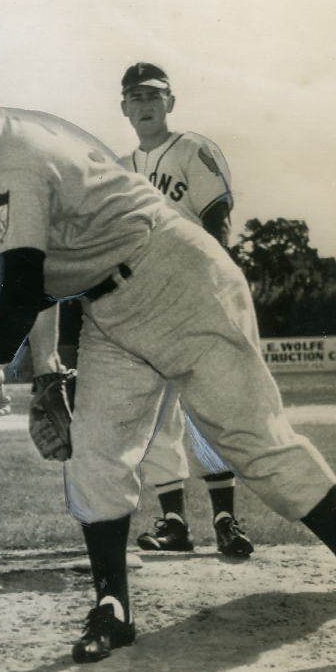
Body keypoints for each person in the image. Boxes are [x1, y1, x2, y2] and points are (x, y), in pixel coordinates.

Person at [0, 46, 336, 670]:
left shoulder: (12, 153)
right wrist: (48, 366)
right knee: (97, 454)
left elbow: (20, 281)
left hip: (179, 279)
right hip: (112, 308)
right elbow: (39, 268)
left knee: (253, 443)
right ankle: (114, 605)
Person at [117, 62, 254, 559]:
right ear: (124, 108)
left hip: (195, 292)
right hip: (144, 305)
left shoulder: (194, 148)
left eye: (154, 95)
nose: (145, 104)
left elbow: (218, 218)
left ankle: (225, 519)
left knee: (205, 411)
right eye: (136, 96)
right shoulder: (118, 167)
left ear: (170, 102)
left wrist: (213, 286)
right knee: (156, 419)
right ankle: (173, 520)